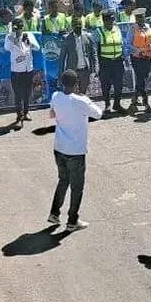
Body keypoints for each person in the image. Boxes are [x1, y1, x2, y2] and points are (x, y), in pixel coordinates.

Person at [48, 69, 103, 232]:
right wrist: (86, 99)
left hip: (59, 147)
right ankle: (72, 220)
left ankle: (54, 213)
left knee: (63, 180)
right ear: (76, 83)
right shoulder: (81, 101)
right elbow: (98, 114)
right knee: (77, 187)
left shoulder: (56, 96)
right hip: (76, 151)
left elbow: (52, 114)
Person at [4, 18, 40, 129]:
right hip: (16, 71)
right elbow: (6, 48)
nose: (18, 31)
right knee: (18, 95)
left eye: (19, 29)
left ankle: (26, 112)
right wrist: (14, 39)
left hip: (28, 69)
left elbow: (37, 48)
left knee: (27, 93)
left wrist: (29, 42)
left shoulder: (28, 34)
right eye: (16, 29)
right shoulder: (9, 37)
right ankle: (19, 117)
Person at [59, 17, 97, 96]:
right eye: (76, 26)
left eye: (80, 26)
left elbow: (94, 53)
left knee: (83, 93)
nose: (78, 28)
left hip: (85, 70)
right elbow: (62, 58)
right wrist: (61, 73)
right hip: (73, 71)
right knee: (73, 94)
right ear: (72, 27)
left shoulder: (88, 36)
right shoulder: (66, 38)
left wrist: (96, 67)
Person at [98, 9, 126, 114]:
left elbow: (121, 44)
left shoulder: (117, 29)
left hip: (118, 62)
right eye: (110, 20)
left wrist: (123, 57)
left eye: (113, 19)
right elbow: (96, 50)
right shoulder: (99, 31)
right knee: (106, 85)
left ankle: (117, 104)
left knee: (119, 85)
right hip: (105, 62)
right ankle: (107, 105)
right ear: (105, 21)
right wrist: (98, 65)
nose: (113, 21)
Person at [128, 8, 151, 112]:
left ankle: (135, 97)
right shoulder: (132, 29)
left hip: (148, 57)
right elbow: (128, 44)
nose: (141, 19)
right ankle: (146, 102)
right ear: (136, 18)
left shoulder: (148, 27)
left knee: (144, 77)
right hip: (137, 57)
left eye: (142, 17)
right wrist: (139, 51)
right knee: (141, 79)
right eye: (138, 17)